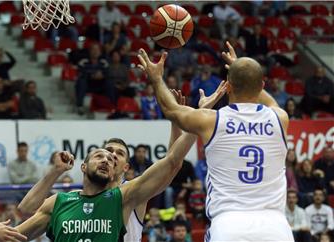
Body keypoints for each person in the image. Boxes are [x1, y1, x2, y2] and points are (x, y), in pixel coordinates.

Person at [137, 41, 294, 240]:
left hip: (229, 225)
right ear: (262, 85)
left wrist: (157, 78)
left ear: (228, 86)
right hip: (276, 227)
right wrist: (241, 70)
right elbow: (268, 99)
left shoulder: (211, 120)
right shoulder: (280, 118)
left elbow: (172, 110)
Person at [15, 129, 197, 241]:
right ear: (84, 166)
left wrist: (192, 121)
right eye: (104, 153)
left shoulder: (126, 196)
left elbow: (172, 162)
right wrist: (56, 171)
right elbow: (25, 210)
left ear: (124, 166)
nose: (110, 158)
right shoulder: (62, 201)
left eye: (116, 155)